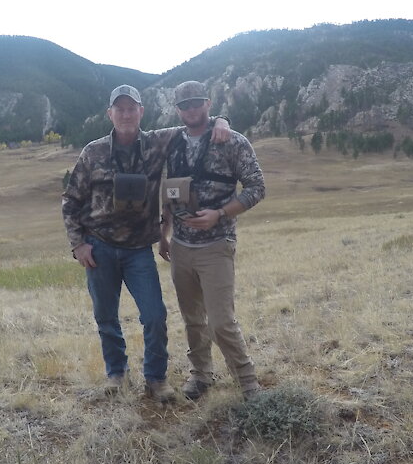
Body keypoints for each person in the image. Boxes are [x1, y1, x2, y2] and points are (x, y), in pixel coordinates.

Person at [62, 84, 231, 402]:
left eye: (132, 108)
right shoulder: (93, 151)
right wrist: (78, 244)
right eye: (119, 109)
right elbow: (70, 200)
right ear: (109, 114)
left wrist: (222, 120)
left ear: (142, 111)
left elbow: (194, 122)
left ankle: (156, 379)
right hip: (98, 248)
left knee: (154, 315)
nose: (126, 114)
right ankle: (117, 373)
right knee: (106, 317)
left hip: (139, 249)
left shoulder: (158, 141)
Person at [159, 80, 266, 401]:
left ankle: (248, 384)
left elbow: (257, 188)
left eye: (197, 103)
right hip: (180, 247)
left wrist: (219, 214)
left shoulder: (232, 141)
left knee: (221, 322)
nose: (191, 110)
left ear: (208, 103)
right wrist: (163, 235)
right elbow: (169, 189)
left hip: (217, 245)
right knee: (193, 319)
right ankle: (201, 375)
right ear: (177, 110)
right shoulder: (171, 142)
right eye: (185, 105)